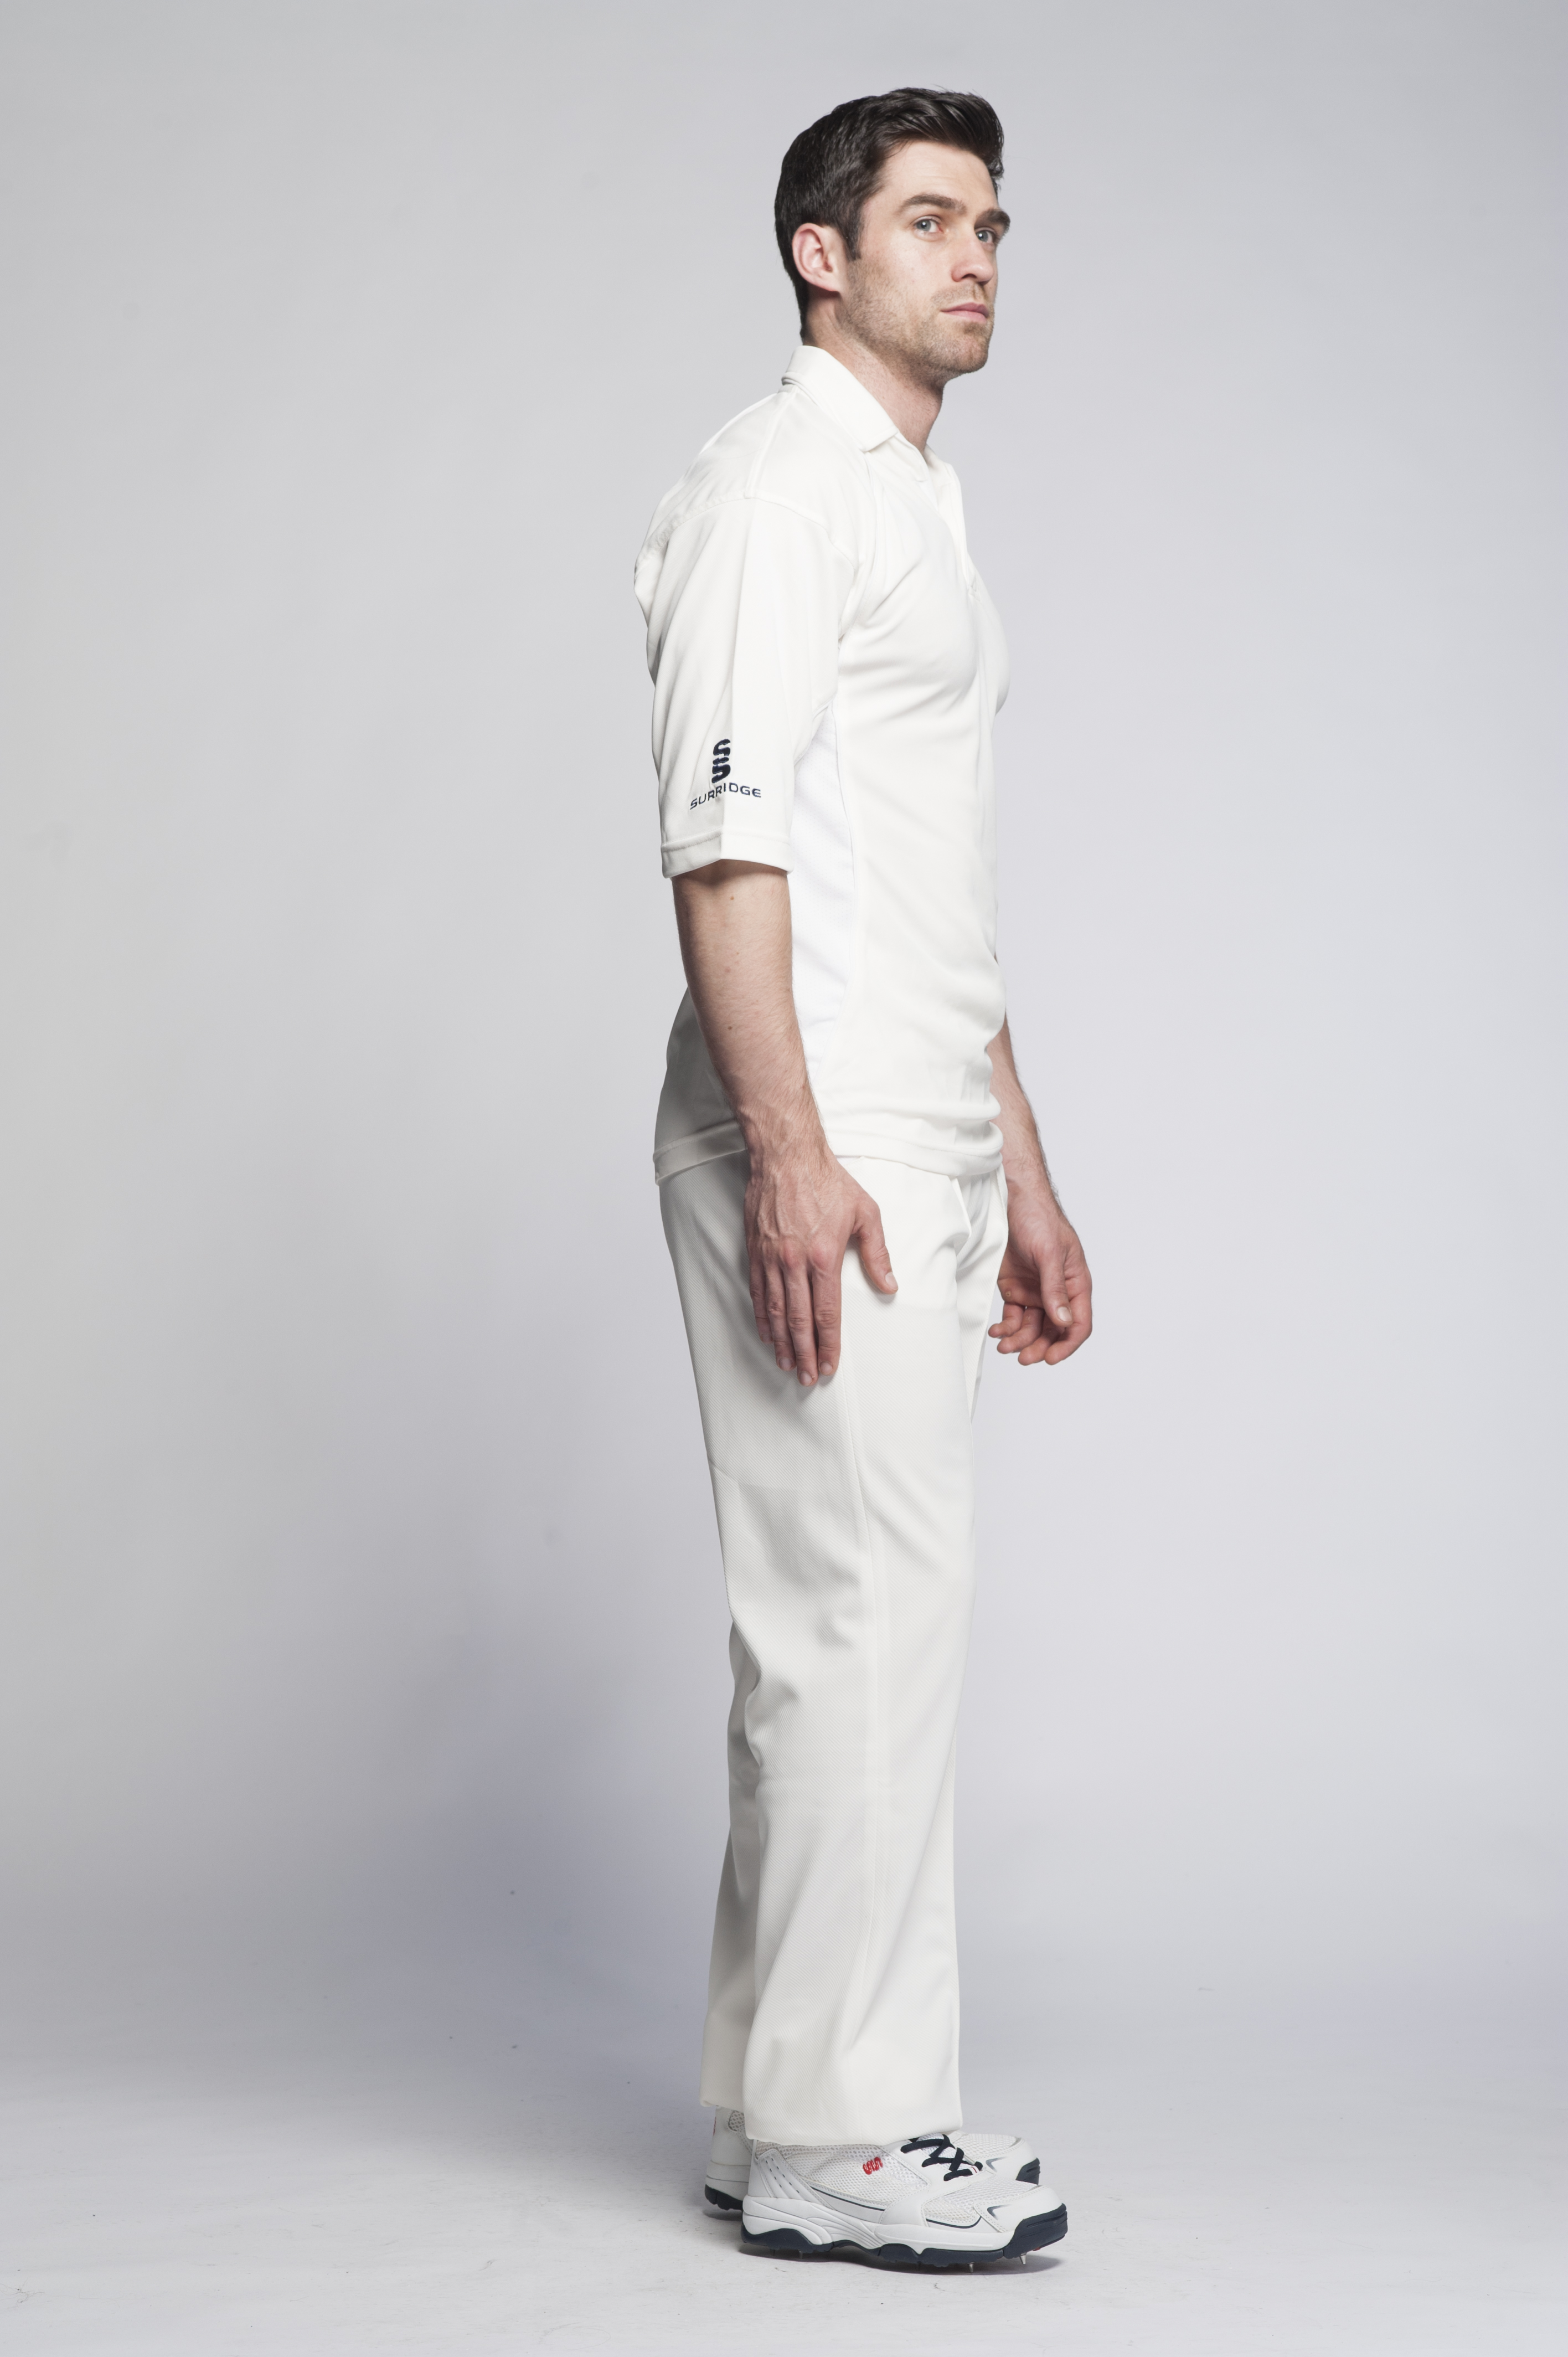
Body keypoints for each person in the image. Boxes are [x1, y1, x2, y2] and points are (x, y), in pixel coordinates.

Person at [634, 87, 1092, 2269]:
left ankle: (770, 2104)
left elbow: (923, 880)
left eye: (992, 222)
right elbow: (726, 842)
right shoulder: (775, 486)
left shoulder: (917, 501)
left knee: (844, 1625)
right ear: (824, 256)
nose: (976, 255)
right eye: (929, 219)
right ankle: (855, 2135)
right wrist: (796, 1151)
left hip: (922, 1120)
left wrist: (1029, 1169)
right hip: (817, 1120)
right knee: (865, 1626)